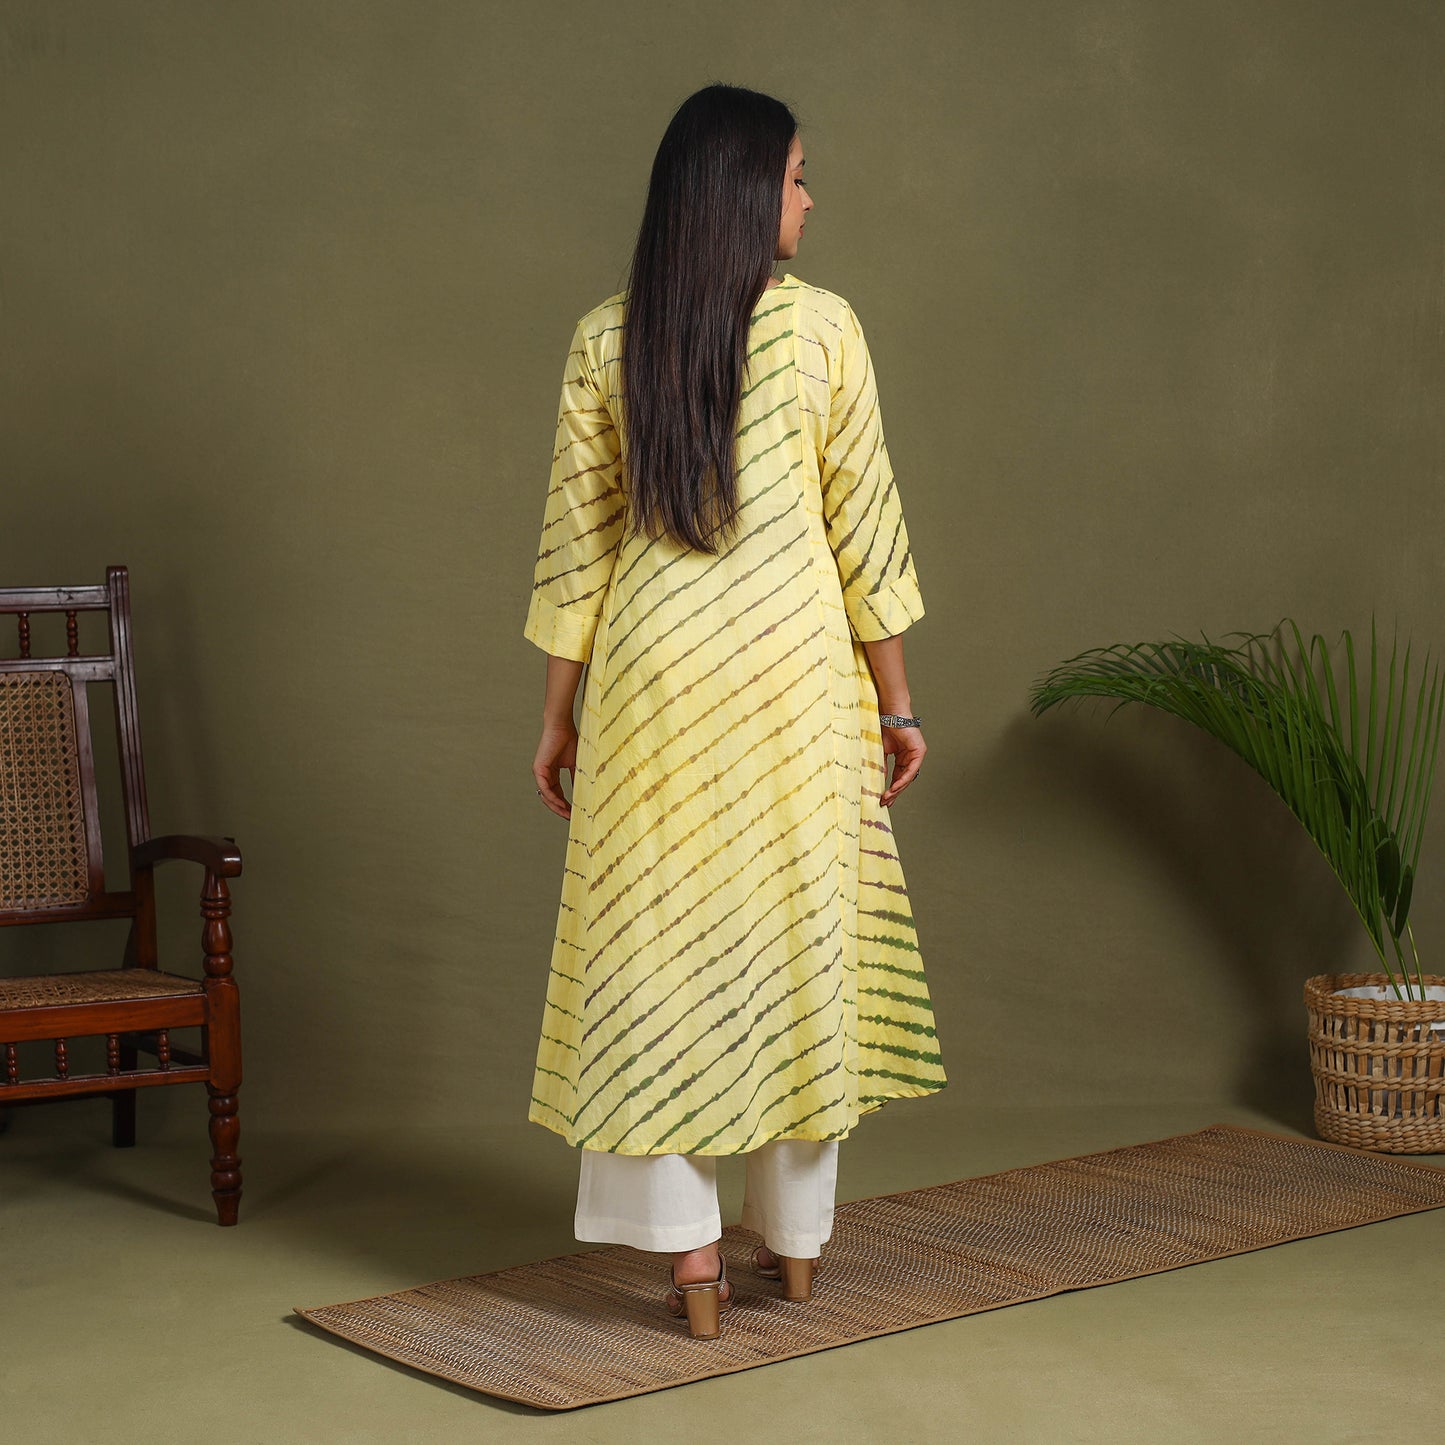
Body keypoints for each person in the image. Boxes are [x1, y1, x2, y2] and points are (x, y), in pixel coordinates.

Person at [523, 83, 946, 1341]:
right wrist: (898, 705)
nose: (811, 197)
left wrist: (557, 717)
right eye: (798, 175)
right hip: (795, 683)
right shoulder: (824, 330)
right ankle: (797, 1250)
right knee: (798, 942)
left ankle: (693, 1262)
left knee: (652, 957)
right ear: (747, 190)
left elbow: (577, 548)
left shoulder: (609, 337)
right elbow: (865, 530)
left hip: (650, 687)